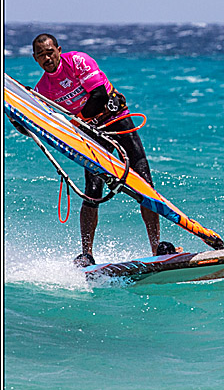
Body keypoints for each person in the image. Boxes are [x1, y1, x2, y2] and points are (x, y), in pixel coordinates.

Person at [29, 33, 173, 266]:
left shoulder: (78, 61)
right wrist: (21, 112)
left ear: (59, 50)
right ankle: (86, 254)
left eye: (50, 52)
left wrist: (76, 121)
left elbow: (99, 96)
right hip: (92, 133)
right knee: (92, 191)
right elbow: (36, 126)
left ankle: (156, 247)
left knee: (144, 181)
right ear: (35, 58)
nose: (47, 58)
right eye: (41, 55)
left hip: (116, 120)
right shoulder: (42, 89)